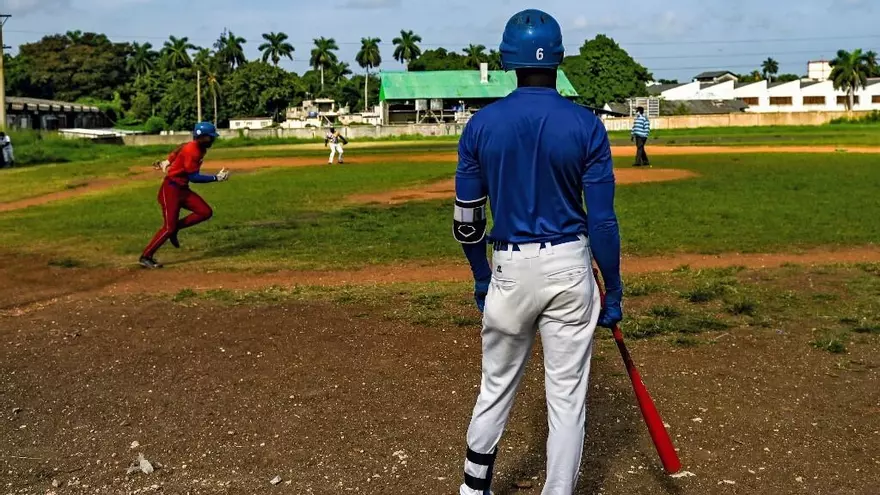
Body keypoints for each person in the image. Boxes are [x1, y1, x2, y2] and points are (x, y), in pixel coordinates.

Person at [453, 9, 623, 495]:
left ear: (508, 59)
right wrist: (613, 287)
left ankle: (473, 488)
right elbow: (603, 221)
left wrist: (480, 277)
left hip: (507, 267)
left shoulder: (482, 125)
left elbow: (467, 222)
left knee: (495, 388)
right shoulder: (586, 125)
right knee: (566, 399)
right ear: (559, 58)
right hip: (571, 267)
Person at [139, 122, 230, 269]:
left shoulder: (197, 147)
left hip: (182, 189)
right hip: (171, 190)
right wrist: (216, 178)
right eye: (210, 138)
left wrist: (168, 160)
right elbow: (194, 177)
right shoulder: (192, 151)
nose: (212, 140)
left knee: (205, 212)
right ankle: (146, 256)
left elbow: (180, 147)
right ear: (201, 137)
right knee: (168, 228)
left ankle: (175, 228)